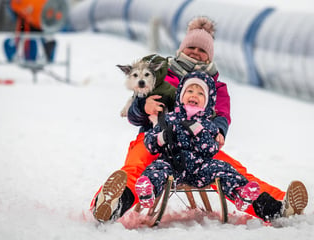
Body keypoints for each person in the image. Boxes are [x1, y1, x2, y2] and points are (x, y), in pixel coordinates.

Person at [90, 16, 308, 223]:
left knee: (234, 170)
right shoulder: (162, 73)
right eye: (191, 47)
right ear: (181, 49)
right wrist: (142, 105)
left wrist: (218, 132)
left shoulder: (217, 88)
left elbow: (222, 116)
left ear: (209, 56)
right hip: (154, 139)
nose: (195, 52)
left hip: (197, 147)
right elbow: (132, 115)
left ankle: (277, 207)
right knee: (135, 166)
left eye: (202, 50)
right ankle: (109, 204)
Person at [136, 71, 260, 212]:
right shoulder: (168, 118)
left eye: (201, 94)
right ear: (181, 96)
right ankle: (148, 191)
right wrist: (161, 138)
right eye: (189, 91)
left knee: (223, 168)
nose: (194, 95)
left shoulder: (208, 125)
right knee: (157, 168)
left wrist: (199, 132)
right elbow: (150, 144)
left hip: (200, 169)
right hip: (171, 163)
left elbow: (211, 149)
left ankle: (239, 193)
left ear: (207, 102)